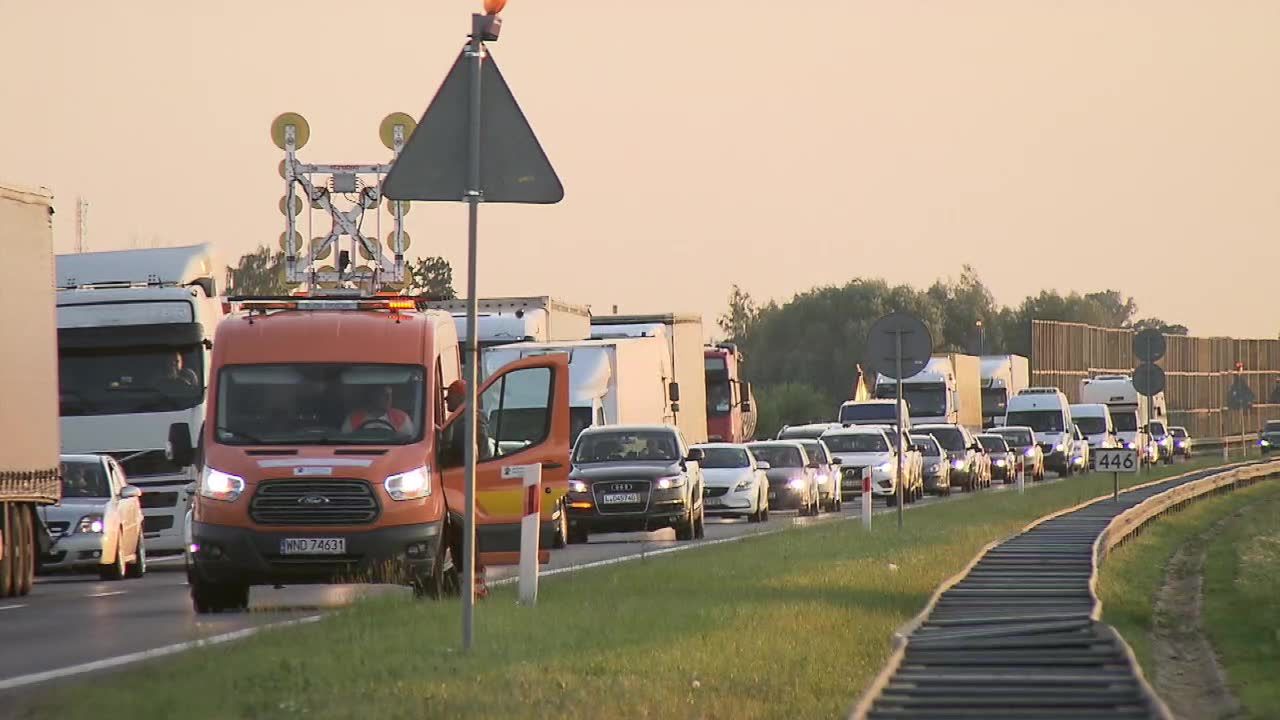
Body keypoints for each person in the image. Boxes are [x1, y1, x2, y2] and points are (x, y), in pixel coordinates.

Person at [342, 385, 414, 435]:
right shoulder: (353, 418)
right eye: (384, 395)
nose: (388, 398)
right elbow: (345, 441)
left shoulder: (401, 417)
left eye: (390, 395)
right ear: (372, 396)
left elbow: (409, 442)